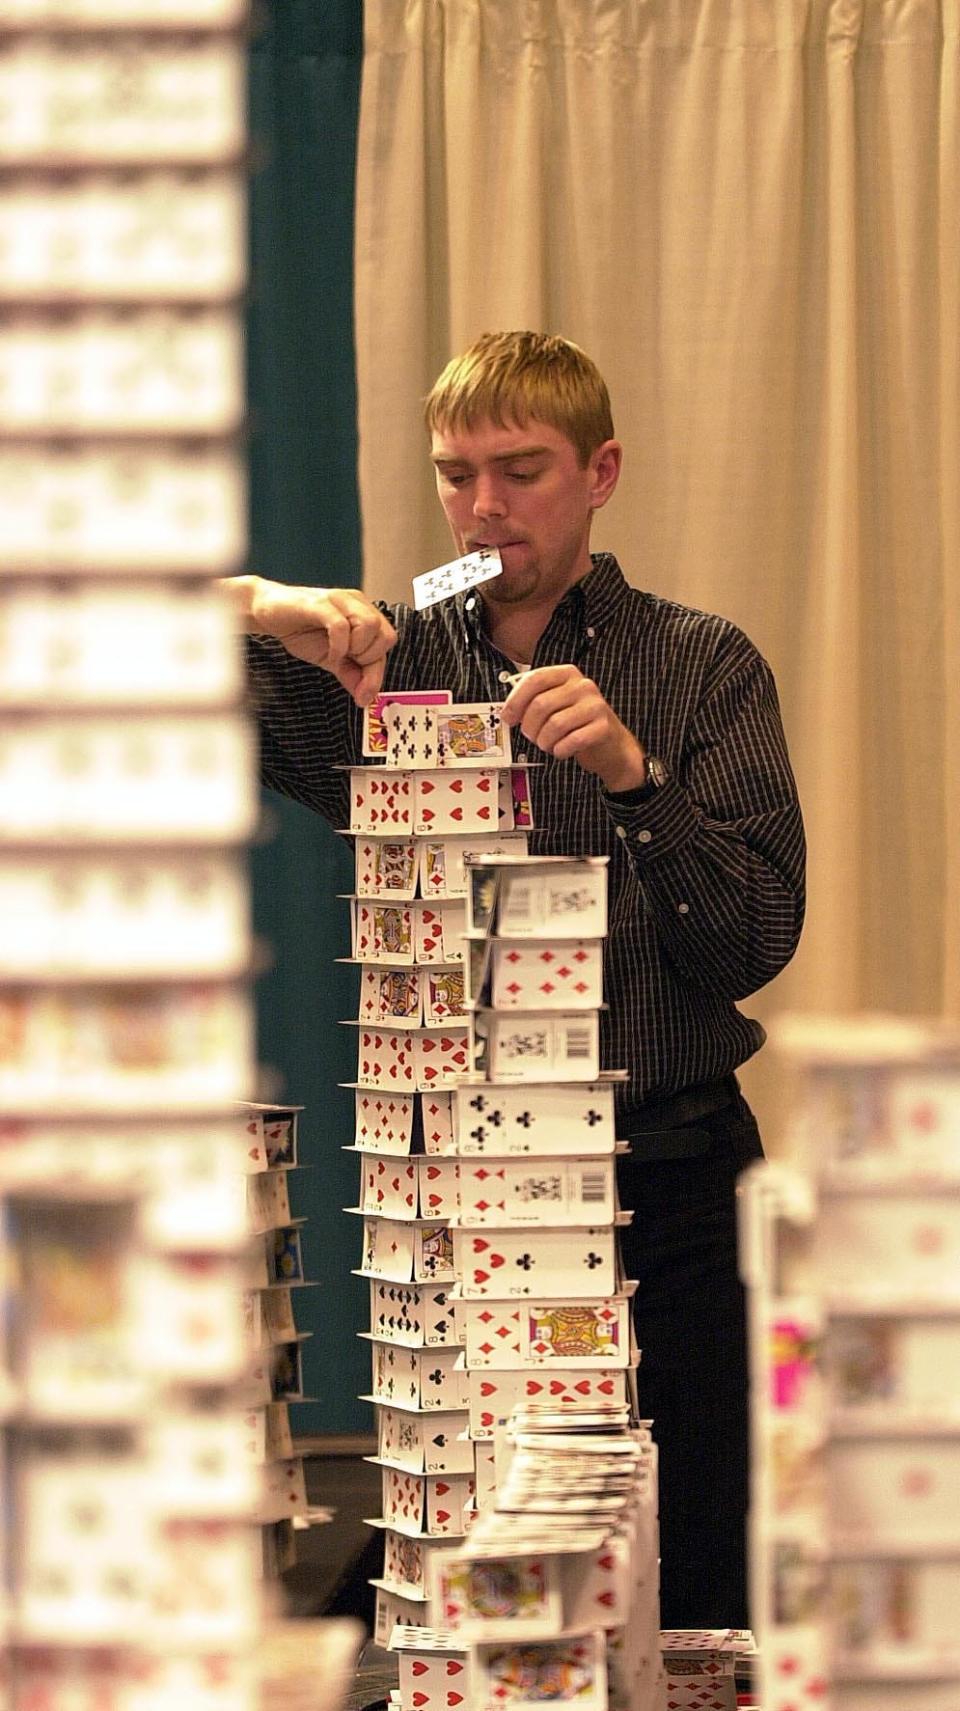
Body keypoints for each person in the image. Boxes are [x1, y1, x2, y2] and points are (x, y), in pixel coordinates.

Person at [227, 331, 805, 1627]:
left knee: (700, 1584)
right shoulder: (379, 660)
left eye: (521, 470)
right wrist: (270, 606)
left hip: (679, 1179)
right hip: (463, 1216)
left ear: (600, 472)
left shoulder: (703, 664)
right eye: (457, 475)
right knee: (481, 1597)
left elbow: (756, 941)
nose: (486, 507)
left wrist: (634, 782)